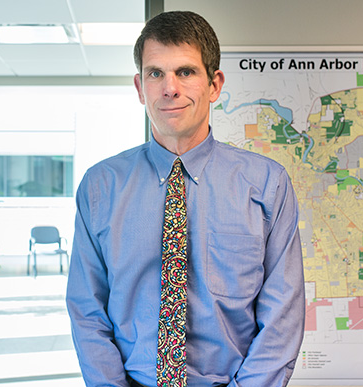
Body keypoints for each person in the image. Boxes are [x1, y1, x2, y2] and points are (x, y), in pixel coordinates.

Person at [66, 11, 305, 387]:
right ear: (139, 87)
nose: (169, 88)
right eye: (155, 73)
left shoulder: (266, 184)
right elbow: (87, 311)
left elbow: (283, 316)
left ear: (214, 84)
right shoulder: (100, 186)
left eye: (186, 72)